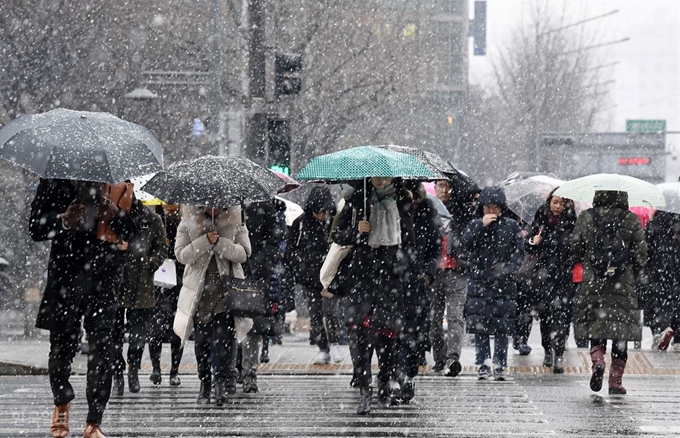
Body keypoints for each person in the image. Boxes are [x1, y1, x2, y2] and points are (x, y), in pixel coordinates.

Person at [29, 179, 137, 438]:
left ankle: (94, 420)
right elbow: (35, 227)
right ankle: (61, 404)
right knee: (61, 345)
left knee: (103, 347)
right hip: (65, 274)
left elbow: (135, 233)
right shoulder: (55, 180)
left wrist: (116, 215)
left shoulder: (117, 184)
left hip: (104, 276)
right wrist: (64, 220)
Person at [329, 177, 414, 415]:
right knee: (360, 342)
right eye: (376, 177)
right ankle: (364, 391)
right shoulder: (356, 202)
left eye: (385, 177)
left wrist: (397, 262)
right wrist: (357, 232)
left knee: (386, 340)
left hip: (389, 283)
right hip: (360, 281)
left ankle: (384, 385)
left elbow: (410, 245)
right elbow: (336, 234)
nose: (380, 181)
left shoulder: (401, 203)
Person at [173, 205, 252, 406]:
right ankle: (204, 382)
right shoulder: (188, 220)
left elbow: (244, 253)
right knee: (202, 343)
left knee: (224, 341)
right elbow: (181, 255)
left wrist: (220, 243)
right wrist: (205, 241)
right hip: (199, 294)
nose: (213, 206)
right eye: (208, 204)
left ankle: (221, 383)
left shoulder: (236, 219)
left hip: (225, 292)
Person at [572, 190, 647, 395]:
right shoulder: (631, 218)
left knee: (598, 327)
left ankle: (598, 362)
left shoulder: (586, 217)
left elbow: (576, 248)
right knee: (620, 332)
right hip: (622, 284)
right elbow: (641, 254)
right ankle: (615, 382)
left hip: (594, 283)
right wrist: (635, 272)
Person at [461, 186, 524, 381]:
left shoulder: (511, 226)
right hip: (480, 282)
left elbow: (518, 253)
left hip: (504, 284)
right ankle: (482, 363)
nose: (491, 211)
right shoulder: (474, 224)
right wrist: (481, 226)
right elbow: (465, 246)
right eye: (487, 206)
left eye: (495, 207)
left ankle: (499, 364)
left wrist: (506, 270)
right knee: (480, 325)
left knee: (502, 326)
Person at [112, 198, 168, 395]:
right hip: (117, 283)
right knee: (114, 335)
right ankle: (117, 372)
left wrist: (150, 263)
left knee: (138, 334)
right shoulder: (112, 215)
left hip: (142, 284)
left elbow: (162, 248)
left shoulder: (152, 219)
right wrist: (115, 248)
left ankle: (133, 371)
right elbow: (100, 244)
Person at [286, 186, 344, 365]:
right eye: (319, 212)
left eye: (325, 212)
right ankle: (323, 348)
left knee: (331, 312)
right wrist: (299, 267)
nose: (322, 215)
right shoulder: (300, 223)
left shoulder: (334, 222)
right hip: (309, 278)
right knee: (316, 315)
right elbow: (290, 249)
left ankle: (334, 343)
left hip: (330, 277)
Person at [524, 188, 577, 373]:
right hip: (543, 276)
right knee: (545, 314)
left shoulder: (572, 221)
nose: (558, 206)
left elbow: (578, 249)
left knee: (562, 315)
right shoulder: (541, 217)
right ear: (549, 202)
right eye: (555, 202)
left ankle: (559, 353)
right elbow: (528, 245)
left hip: (564, 276)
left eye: (562, 203)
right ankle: (548, 350)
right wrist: (534, 240)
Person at [430, 179, 477, 375]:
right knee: (434, 318)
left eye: (448, 185)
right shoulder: (429, 209)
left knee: (455, 316)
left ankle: (453, 358)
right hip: (434, 272)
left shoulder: (461, 210)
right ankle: (439, 358)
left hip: (457, 270)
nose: (444, 189)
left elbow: (474, 192)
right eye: (440, 185)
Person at [398, 182, 439, 402]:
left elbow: (434, 247)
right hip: (394, 281)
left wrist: (428, 273)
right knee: (395, 334)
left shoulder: (427, 213)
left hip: (417, 283)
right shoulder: (393, 209)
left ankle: (408, 377)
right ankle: (396, 377)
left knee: (413, 334)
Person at [242, 198, 287, 392]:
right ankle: (236, 372)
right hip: (239, 273)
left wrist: (257, 260)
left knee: (251, 329)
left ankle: (247, 373)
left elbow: (276, 241)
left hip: (255, 277)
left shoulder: (267, 210)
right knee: (235, 328)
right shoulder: (231, 208)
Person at [148, 203, 185, 386]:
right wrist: (161, 247)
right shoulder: (154, 221)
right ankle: (156, 369)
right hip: (159, 282)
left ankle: (174, 370)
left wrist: (174, 247)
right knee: (155, 330)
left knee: (177, 330)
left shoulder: (184, 222)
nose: (170, 206)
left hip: (178, 283)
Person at [642, 210, 680, 351]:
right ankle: (678, 340)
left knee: (656, 303)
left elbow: (646, 249)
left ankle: (657, 331)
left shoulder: (654, 223)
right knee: (677, 303)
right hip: (677, 269)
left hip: (657, 270)